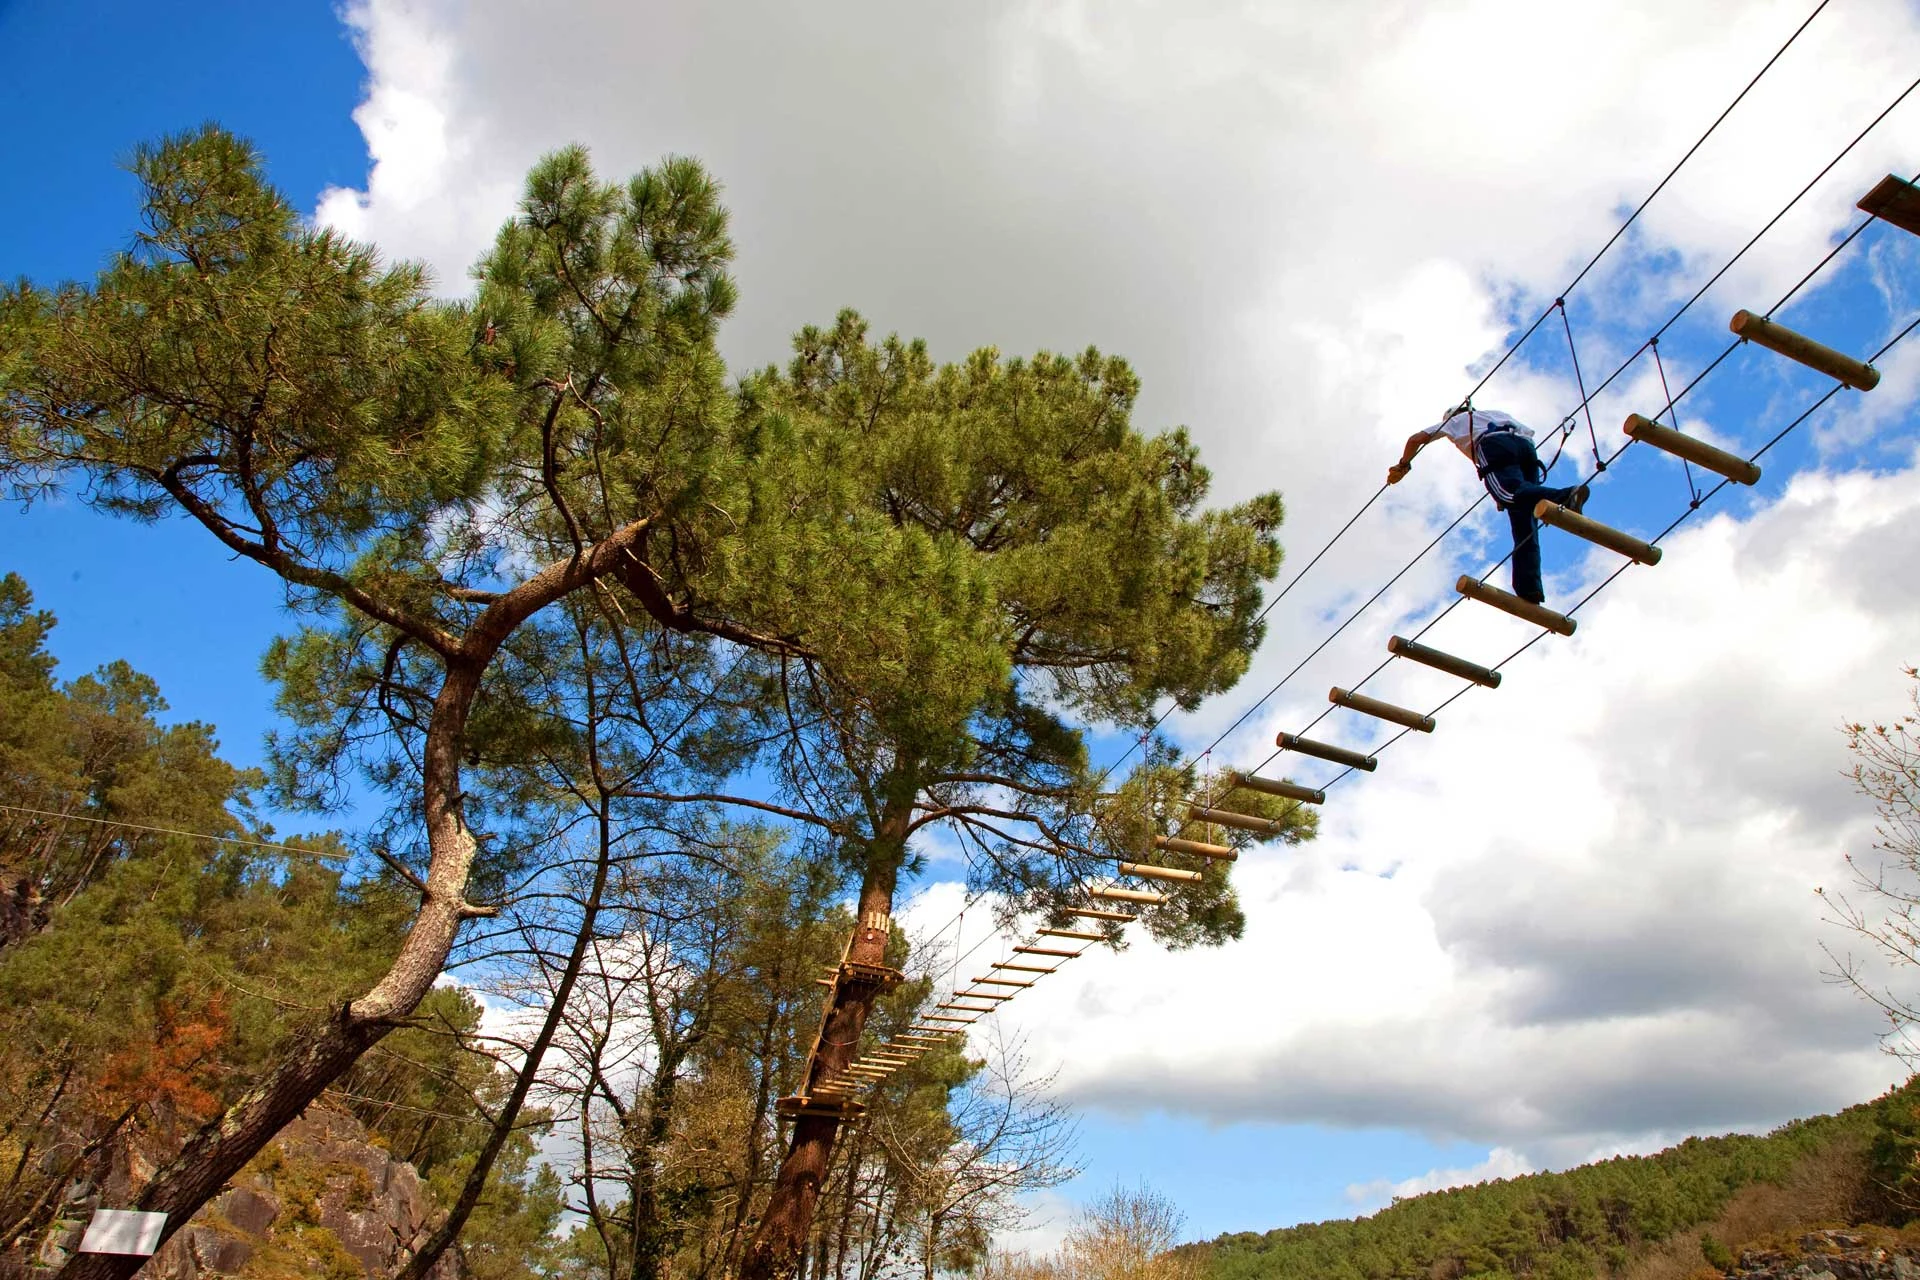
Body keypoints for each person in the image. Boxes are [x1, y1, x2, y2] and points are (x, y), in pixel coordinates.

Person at [1387, 404, 1590, 606]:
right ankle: (1530, 590)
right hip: (1526, 449)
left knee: (1511, 495)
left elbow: (1415, 439)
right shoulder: (1495, 413)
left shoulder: (1454, 422)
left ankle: (1566, 496)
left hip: (1495, 444)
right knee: (1525, 519)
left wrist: (1403, 465)